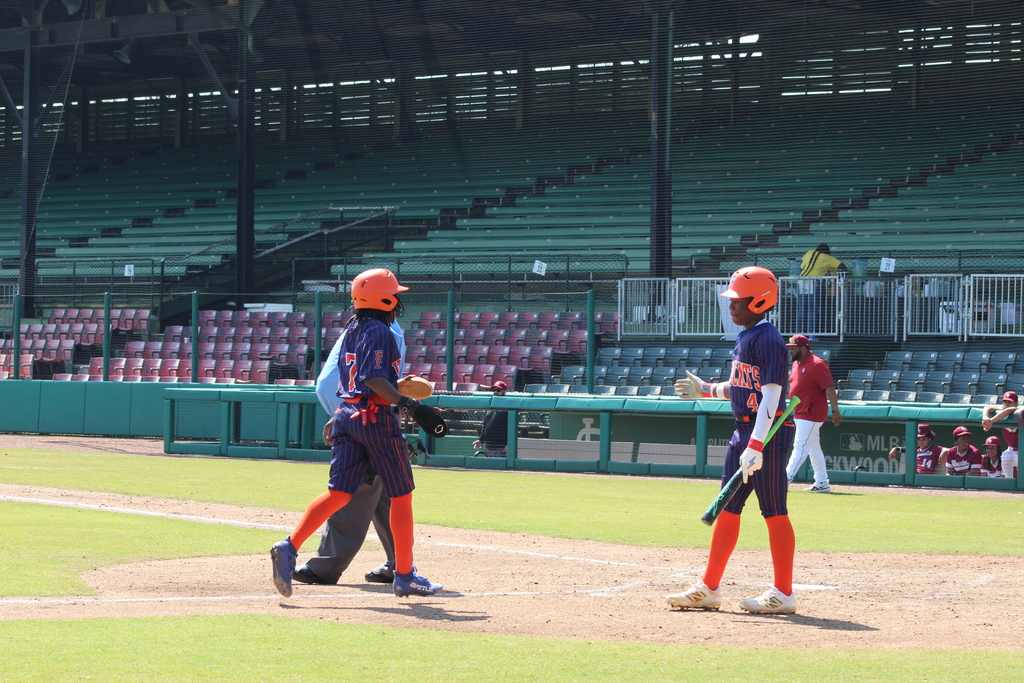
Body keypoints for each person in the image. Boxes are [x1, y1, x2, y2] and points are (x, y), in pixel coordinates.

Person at [270, 268, 442, 598]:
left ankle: (289, 546)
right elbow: (373, 379)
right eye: (396, 294)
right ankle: (404, 574)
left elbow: (351, 378)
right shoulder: (382, 331)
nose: (399, 300)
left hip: (347, 415)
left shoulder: (353, 328)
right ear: (386, 298)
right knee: (401, 498)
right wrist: (409, 404)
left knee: (339, 494)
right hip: (375, 418)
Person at [668, 266, 797, 614]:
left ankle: (784, 593)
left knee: (773, 511)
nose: (731, 306)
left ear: (759, 301)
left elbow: (772, 397)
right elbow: (740, 386)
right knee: (727, 507)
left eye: (738, 300)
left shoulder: (769, 338)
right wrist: (706, 390)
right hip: (745, 432)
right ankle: (708, 588)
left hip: (767, 434)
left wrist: (756, 446)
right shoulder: (747, 337)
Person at [290, 315, 408, 586]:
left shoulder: (377, 328)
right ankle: (399, 564)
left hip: (366, 416)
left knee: (355, 489)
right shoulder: (374, 327)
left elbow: (378, 377)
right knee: (383, 493)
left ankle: (326, 566)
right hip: (358, 411)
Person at [783, 334, 841, 493]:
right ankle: (822, 481)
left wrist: (835, 410)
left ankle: (784, 480)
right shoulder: (797, 364)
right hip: (801, 411)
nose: (791, 351)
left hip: (811, 412)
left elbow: (829, 387)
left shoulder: (817, 364)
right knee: (813, 448)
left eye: (793, 348)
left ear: (803, 348)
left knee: (800, 447)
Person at [796, 243, 845, 336]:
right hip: (815, 282)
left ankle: (799, 334)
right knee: (812, 309)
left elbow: (802, 266)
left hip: (801, 280)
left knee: (802, 309)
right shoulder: (828, 258)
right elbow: (842, 266)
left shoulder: (809, 253)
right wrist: (844, 277)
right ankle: (812, 334)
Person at [981, 390, 1020, 479]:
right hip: (1012, 449)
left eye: (1010, 402)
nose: (1007, 404)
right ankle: (1008, 482)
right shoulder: (1001, 411)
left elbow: (1011, 409)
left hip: (1022, 449)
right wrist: (985, 417)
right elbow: (988, 408)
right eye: (1005, 401)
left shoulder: (1019, 411)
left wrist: (991, 421)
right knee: (1005, 455)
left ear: (1016, 403)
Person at [472, 380, 509, 457]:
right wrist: (481, 440)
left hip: (501, 448)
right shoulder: (490, 406)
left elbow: (511, 428)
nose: (495, 392)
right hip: (488, 446)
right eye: (494, 390)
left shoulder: (508, 408)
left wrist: (509, 445)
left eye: (498, 390)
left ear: (504, 391)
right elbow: (485, 425)